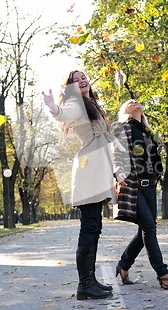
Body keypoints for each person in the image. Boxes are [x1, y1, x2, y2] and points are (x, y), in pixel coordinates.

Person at [43, 70, 116, 300]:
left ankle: (89, 281)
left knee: (94, 227)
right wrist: (53, 107)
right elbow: (63, 114)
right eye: (76, 79)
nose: (82, 80)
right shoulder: (76, 103)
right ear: (71, 87)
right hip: (89, 168)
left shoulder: (90, 103)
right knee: (89, 227)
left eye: (84, 76)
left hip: (97, 165)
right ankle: (85, 283)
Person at [112, 99, 168, 290]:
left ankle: (123, 265)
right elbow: (116, 153)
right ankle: (162, 273)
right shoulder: (121, 128)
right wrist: (118, 171)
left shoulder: (148, 132)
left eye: (136, 100)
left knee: (145, 231)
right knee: (149, 227)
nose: (134, 101)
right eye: (129, 102)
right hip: (133, 185)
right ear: (125, 111)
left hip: (150, 185)